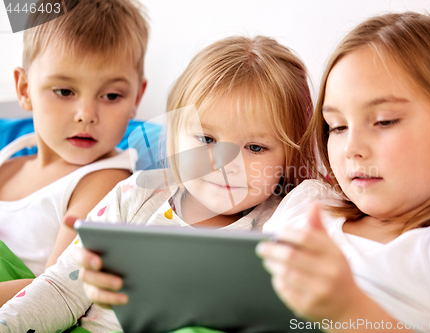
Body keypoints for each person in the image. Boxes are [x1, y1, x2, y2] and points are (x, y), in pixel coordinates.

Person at [0, 35, 313, 333]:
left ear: (291, 155)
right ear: (174, 134)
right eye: (206, 139)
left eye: (255, 148)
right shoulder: (136, 194)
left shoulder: (283, 223)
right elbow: (61, 289)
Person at [257, 11, 430, 332]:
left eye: (384, 121)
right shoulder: (307, 204)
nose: (352, 148)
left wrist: (348, 310)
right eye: (337, 126)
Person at [0, 0, 148, 305]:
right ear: (25, 89)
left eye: (111, 95)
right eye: (65, 91)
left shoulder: (106, 180)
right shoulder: (9, 162)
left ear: (137, 97)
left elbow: (56, 288)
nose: (86, 114)